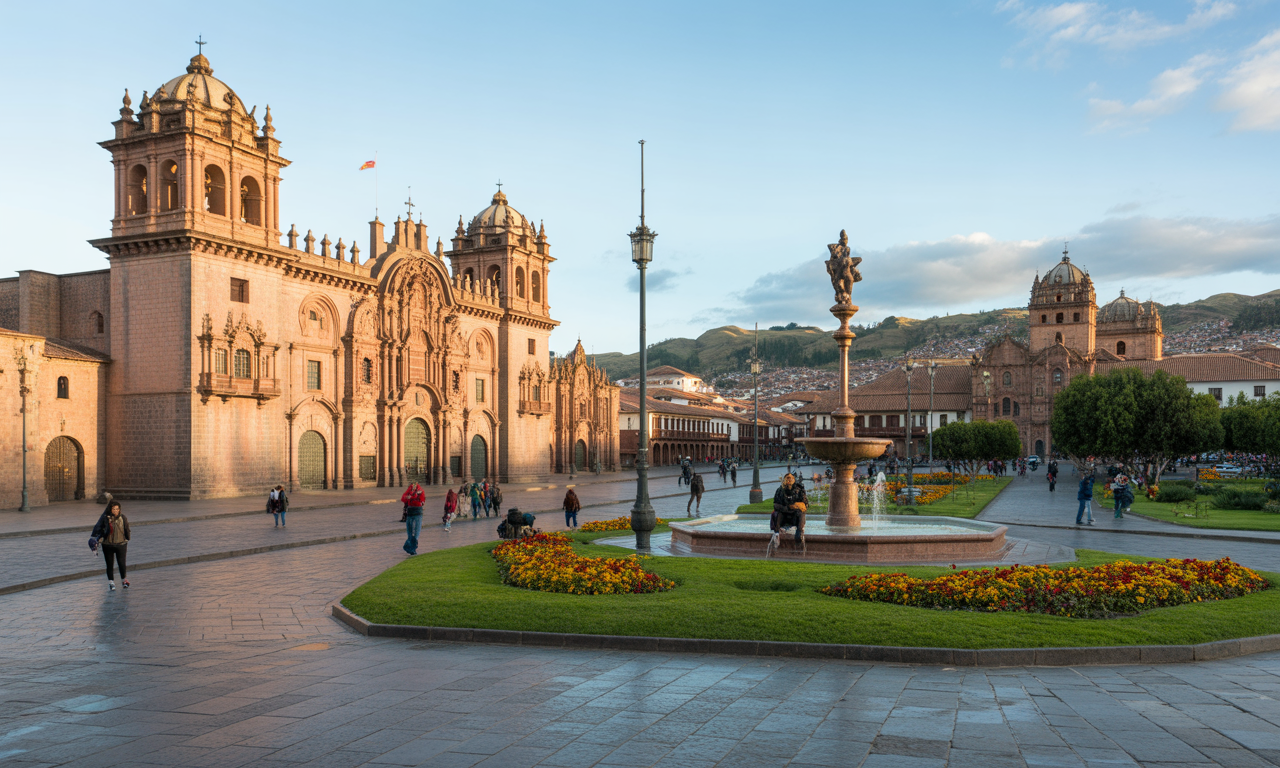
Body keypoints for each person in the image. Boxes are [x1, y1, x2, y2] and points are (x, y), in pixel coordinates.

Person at [91, 500, 131, 590]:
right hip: (107, 545)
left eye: (117, 509)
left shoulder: (123, 518)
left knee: (122, 563)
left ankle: (124, 580)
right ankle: (111, 582)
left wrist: (127, 538)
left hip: (121, 544)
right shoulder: (105, 518)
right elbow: (98, 528)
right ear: (110, 509)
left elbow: (127, 528)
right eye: (113, 509)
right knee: (109, 564)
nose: (115, 511)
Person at [771, 472, 808, 544]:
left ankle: (799, 532)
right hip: (783, 518)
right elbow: (776, 505)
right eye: (788, 478)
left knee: (801, 513)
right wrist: (789, 507)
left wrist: (800, 505)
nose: (790, 480)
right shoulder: (780, 490)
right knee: (778, 513)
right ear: (784, 480)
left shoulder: (799, 490)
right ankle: (777, 533)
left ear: (794, 480)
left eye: (791, 478)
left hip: (795, 517)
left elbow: (805, 504)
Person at [401, 483, 425, 555]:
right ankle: (411, 547)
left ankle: (410, 547)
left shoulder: (409, 491)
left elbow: (403, 498)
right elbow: (422, 500)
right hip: (417, 511)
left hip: (410, 511)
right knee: (417, 531)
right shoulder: (420, 491)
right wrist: (412, 496)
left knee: (410, 531)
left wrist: (409, 497)